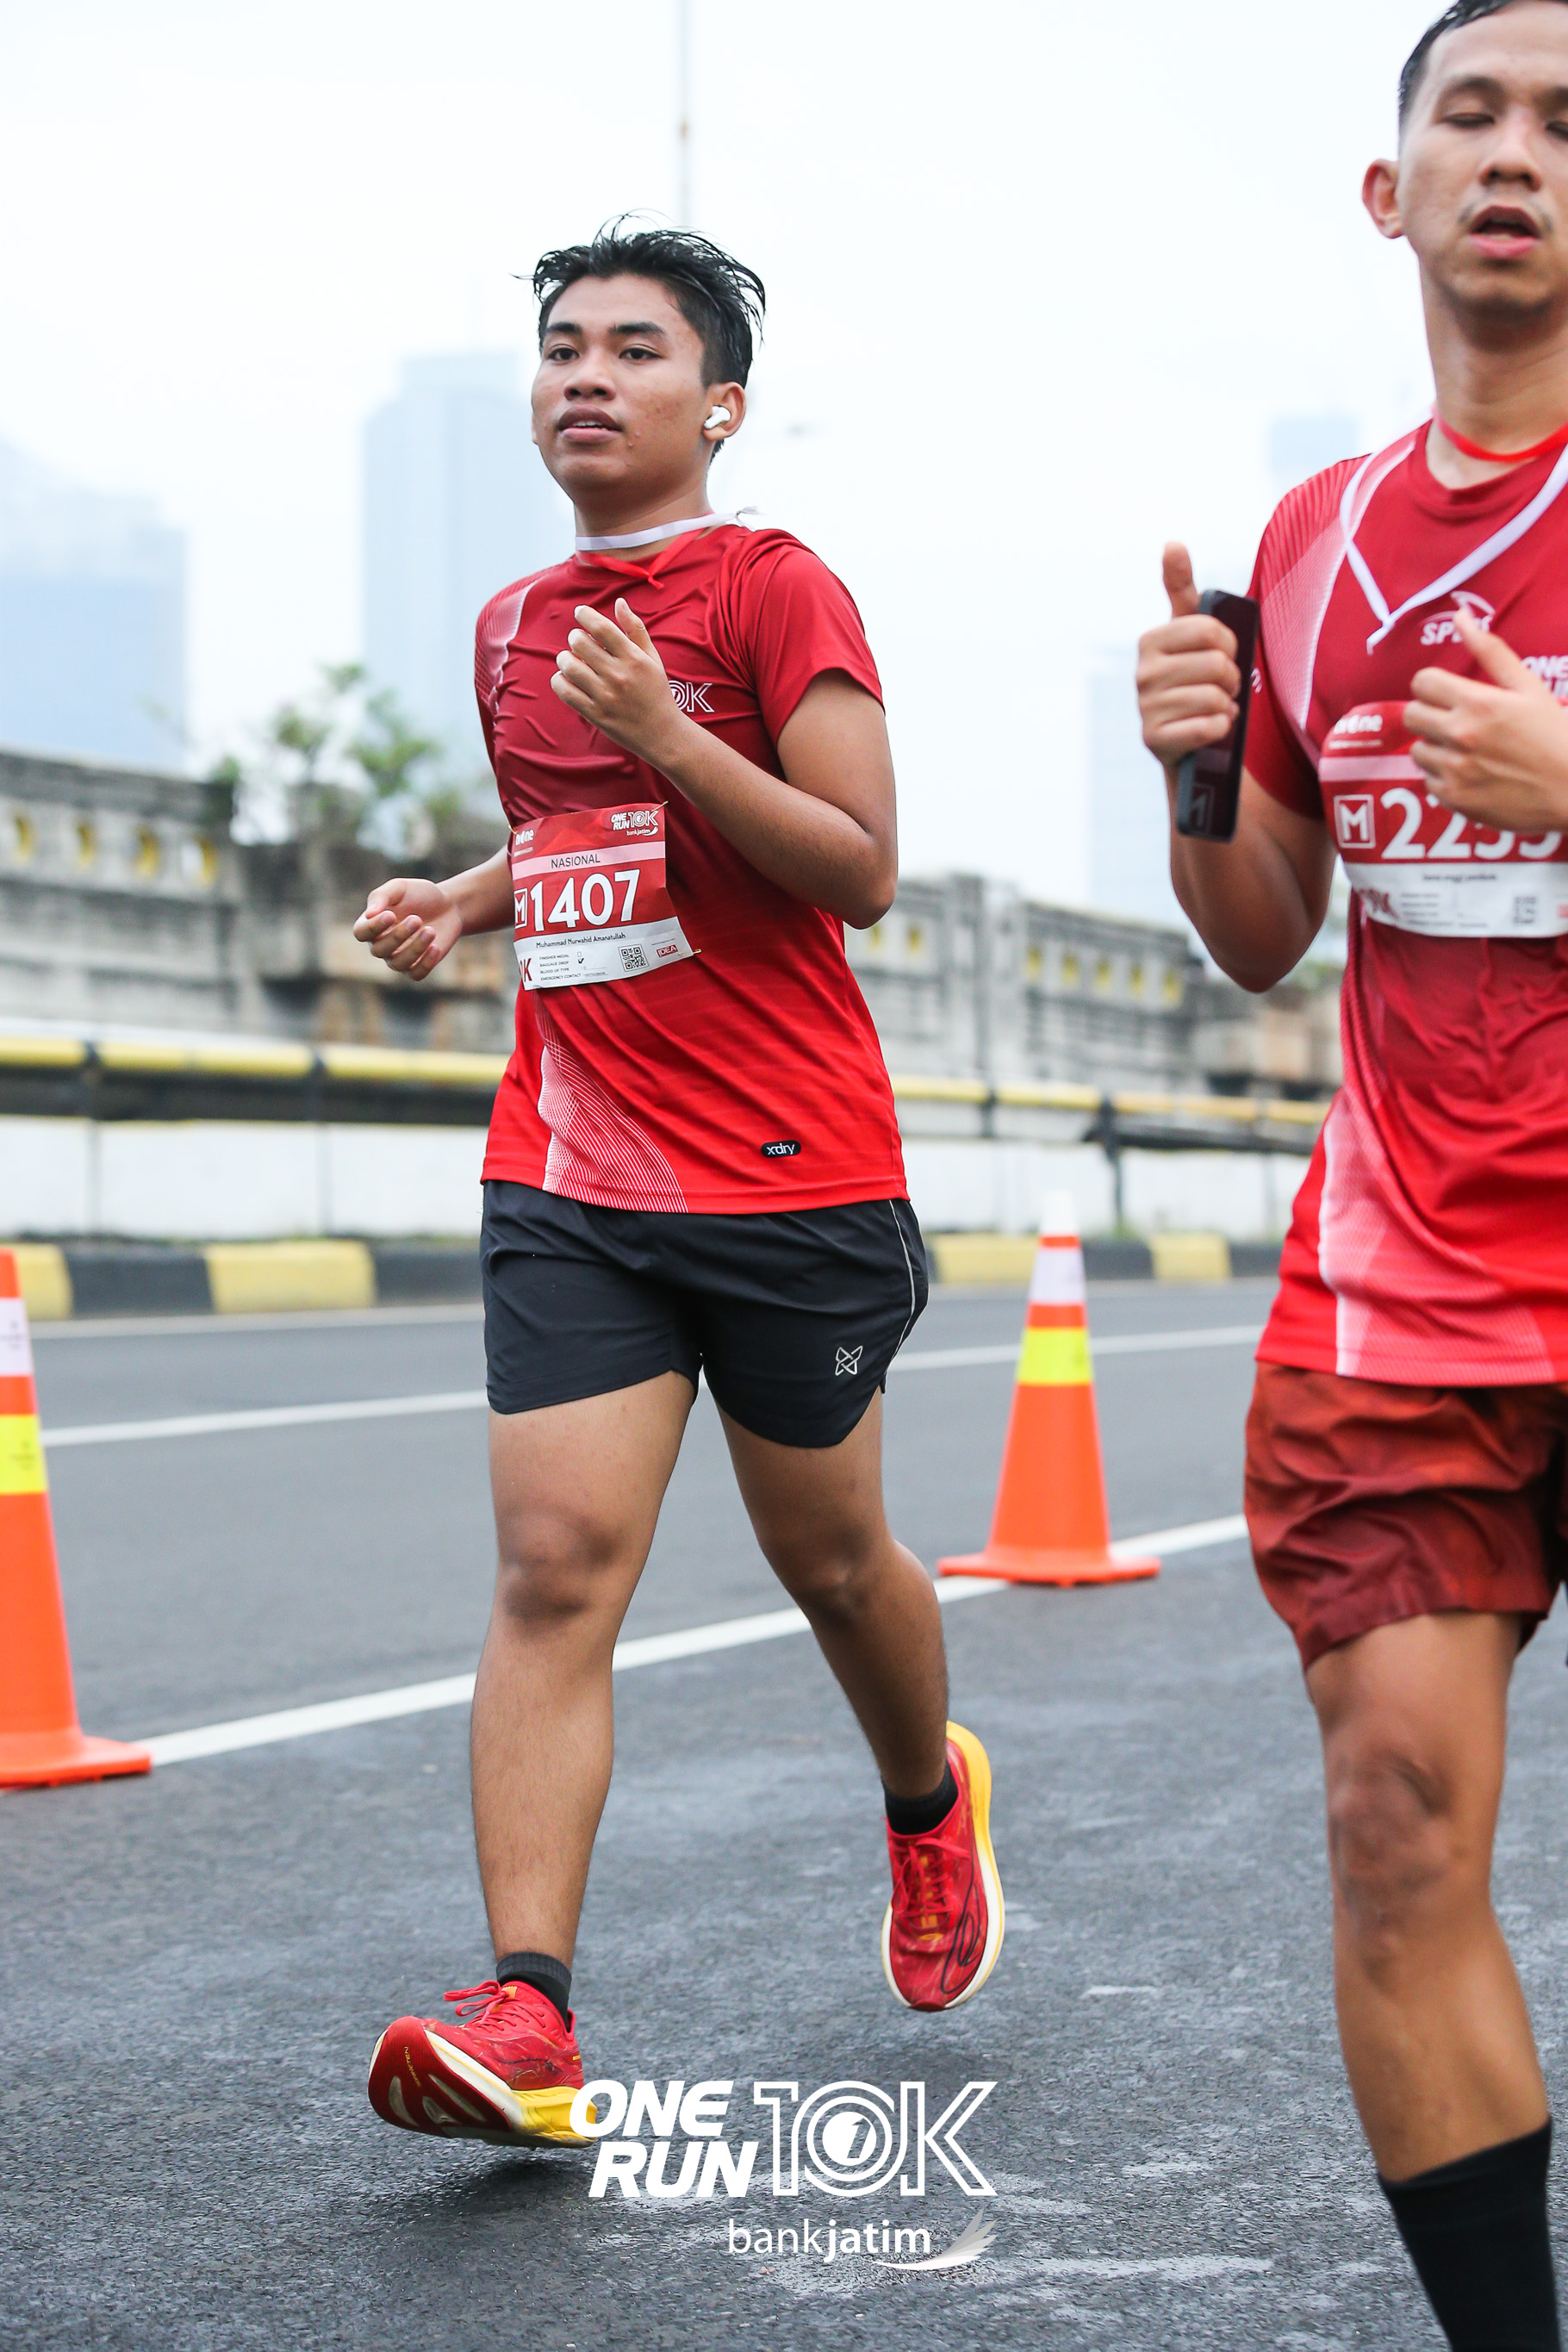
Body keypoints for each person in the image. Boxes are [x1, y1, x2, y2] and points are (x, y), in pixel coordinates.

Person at [354, 223, 1004, 2149]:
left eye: (634, 348)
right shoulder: (510, 623)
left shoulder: (775, 587)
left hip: (788, 1167)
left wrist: (666, 728)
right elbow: (589, 827)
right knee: (556, 1565)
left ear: (717, 404)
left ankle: (926, 1800)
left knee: (830, 1560)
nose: (585, 374)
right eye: (561, 345)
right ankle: (527, 2012)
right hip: (572, 1163)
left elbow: (857, 863)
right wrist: (468, 896)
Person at [1137, 5, 1568, 2343]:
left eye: (1567, 125)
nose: (1516, 155)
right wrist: (1200, 781)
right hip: (1406, 1293)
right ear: (1388, 193)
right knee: (1391, 1820)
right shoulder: (1310, 542)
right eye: (1470, 115)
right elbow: (1262, 928)